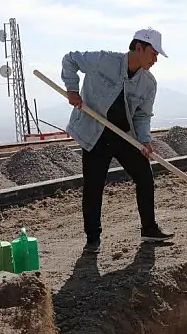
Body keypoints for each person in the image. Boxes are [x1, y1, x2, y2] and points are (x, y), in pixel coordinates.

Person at [62, 28, 175, 254]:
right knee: (94, 186)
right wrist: (72, 89)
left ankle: (149, 229)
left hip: (125, 135)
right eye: (153, 54)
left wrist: (144, 140)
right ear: (139, 48)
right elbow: (70, 59)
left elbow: (142, 115)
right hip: (95, 132)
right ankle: (92, 239)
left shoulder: (149, 83)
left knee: (144, 176)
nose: (155, 60)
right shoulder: (105, 61)